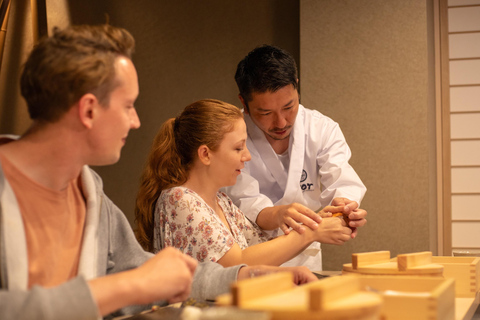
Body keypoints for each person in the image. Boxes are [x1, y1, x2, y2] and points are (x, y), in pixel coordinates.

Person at [0, 25, 316, 320]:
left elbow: (153, 273)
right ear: (88, 110)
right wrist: (130, 286)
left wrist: (250, 275)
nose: (135, 121)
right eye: (128, 105)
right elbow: (135, 281)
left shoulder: (91, 196)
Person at [135, 99, 353, 268]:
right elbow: (236, 264)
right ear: (205, 154)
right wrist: (313, 232)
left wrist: (316, 220)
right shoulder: (180, 200)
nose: (247, 156)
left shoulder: (221, 201)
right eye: (239, 148)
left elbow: (262, 249)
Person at [223, 44, 368, 270]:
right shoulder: (233, 136)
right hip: (251, 255)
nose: (281, 122)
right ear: (244, 103)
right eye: (265, 113)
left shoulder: (321, 128)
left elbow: (341, 179)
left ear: (296, 87)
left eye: (289, 106)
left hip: (305, 255)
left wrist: (345, 207)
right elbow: (243, 198)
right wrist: (277, 214)